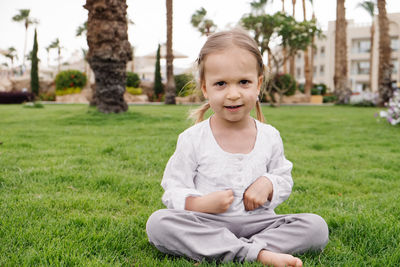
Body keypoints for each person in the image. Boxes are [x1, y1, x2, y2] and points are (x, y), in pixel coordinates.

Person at [146, 28, 329, 267]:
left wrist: (269, 183)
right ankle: (258, 253)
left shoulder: (269, 136)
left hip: (259, 224)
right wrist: (199, 204)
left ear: (258, 84)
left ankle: (228, 248)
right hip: (207, 222)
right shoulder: (192, 138)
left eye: (244, 82)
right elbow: (173, 187)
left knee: (316, 227)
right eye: (220, 84)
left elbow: (283, 177)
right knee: (159, 223)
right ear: (205, 88)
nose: (233, 94)